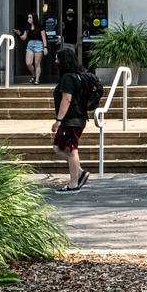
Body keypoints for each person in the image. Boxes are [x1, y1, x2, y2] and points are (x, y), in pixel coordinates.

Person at [51, 47, 91, 195]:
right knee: (58, 148)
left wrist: (58, 120)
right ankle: (79, 172)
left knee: (70, 150)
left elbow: (66, 99)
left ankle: (73, 184)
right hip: (77, 118)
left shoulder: (68, 77)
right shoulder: (78, 75)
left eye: (57, 59)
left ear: (64, 61)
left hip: (71, 120)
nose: (55, 61)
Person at [13, 12, 47, 84]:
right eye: (28, 17)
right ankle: (34, 75)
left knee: (37, 63)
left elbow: (44, 38)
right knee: (28, 63)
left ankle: (37, 80)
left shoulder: (40, 26)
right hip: (30, 44)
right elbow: (24, 38)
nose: (29, 19)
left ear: (34, 18)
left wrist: (45, 47)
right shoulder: (27, 27)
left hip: (38, 44)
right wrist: (19, 34)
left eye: (30, 17)